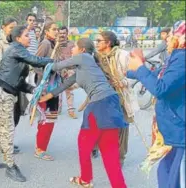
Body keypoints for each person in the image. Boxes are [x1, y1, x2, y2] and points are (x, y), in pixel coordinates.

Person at [40, 38, 127, 188]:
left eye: (74, 47)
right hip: (112, 104)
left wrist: (40, 62)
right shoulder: (83, 68)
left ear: (82, 50)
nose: (72, 49)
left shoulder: (84, 57)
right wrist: (43, 97)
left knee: (84, 145)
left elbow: (56, 66)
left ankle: (85, 179)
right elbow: (63, 86)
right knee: (110, 152)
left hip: (99, 105)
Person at [0, 25, 53, 182]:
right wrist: (53, 62)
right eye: (27, 35)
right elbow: (36, 60)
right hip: (1, 94)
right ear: (17, 38)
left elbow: (19, 82)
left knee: (1, 129)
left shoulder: (20, 54)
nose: (30, 37)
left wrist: (32, 89)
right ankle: (10, 166)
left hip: (5, 94)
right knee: (7, 130)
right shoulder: (16, 48)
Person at [127, 20, 185, 188]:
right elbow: (156, 75)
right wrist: (128, 70)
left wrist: (139, 67)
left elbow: (160, 88)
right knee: (166, 175)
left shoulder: (182, 58)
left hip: (180, 132)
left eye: (171, 35)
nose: (167, 39)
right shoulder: (176, 57)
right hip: (173, 131)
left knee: (175, 180)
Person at [93, 31, 138, 165]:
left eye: (99, 40)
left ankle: (119, 158)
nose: (96, 43)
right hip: (102, 95)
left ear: (108, 43)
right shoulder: (95, 57)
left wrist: (123, 82)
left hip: (120, 96)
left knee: (122, 127)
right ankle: (95, 146)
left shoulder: (123, 55)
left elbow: (135, 74)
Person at [0, 17, 21, 154]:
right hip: (4, 85)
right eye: (10, 28)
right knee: (4, 118)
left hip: (16, 85)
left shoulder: (16, 42)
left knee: (15, 115)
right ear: (3, 27)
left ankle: (6, 141)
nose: (13, 30)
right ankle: (3, 145)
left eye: (15, 28)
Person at [34, 21, 60, 161]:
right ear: (46, 31)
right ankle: (40, 149)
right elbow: (35, 63)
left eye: (57, 29)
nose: (57, 31)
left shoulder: (54, 44)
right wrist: (44, 78)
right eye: (54, 29)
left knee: (49, 118)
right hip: (46, 87)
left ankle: (41, 146)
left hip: (54, 86)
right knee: (47, 118)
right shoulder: (45, 44)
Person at [57, 26, 77, 118]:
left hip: (69, 70)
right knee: (57, 91)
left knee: (69, 90)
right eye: (60, 33)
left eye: (64, 33)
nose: (62, 35)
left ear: (67, 33)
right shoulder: (55, 44)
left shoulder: (72, 44)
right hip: (57, 71)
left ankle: (71, 110)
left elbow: (75, 58)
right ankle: (57, 109)